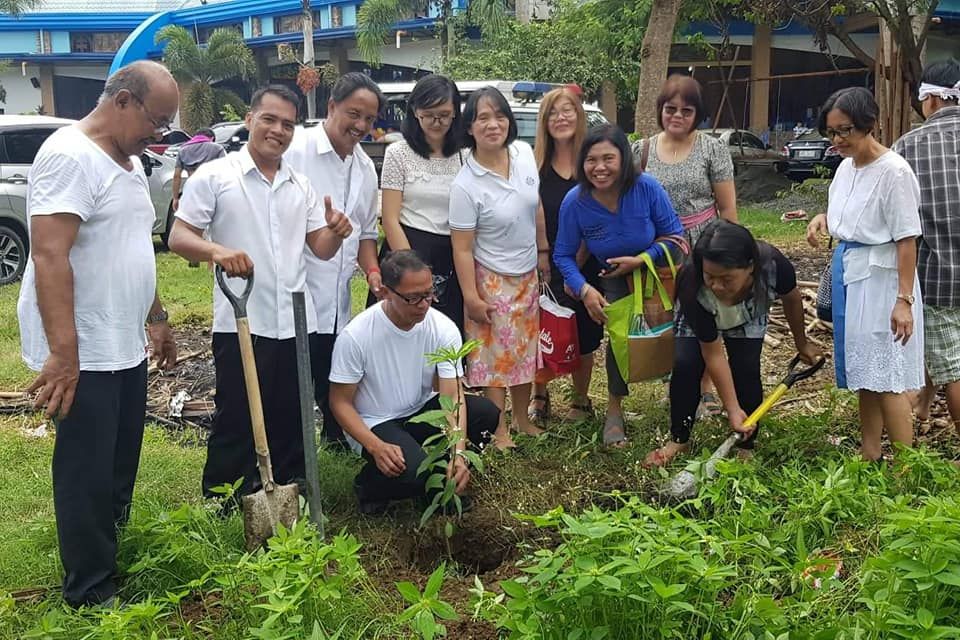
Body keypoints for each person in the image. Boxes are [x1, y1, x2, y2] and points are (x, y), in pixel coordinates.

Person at [16, 60, 180, 608]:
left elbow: (132, 246)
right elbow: (49, 254)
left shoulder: (129, 162)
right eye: (156, 119)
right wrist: (65, 356)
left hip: (122, 338)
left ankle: (110, 548)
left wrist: (155, 316)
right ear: (123, 100)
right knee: (86, 467)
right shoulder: (69, 155)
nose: (159, 132)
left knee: (119, 456)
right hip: (83, 345)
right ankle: (89, 588)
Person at [168, 85, 353, 499]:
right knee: (236, 414)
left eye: (288, 124)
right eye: (269, 119)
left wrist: (337, 233)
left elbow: (319, 249)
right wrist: (217, 250)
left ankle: (290, 492)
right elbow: (179, 236)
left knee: (291, 414)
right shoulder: (215, 177)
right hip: (241, 319)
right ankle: (223, 499)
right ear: (250, 120)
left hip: (293, 320)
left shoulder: (299, 184)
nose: (278, 130)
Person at [329, 250, 499, 514]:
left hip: (419, 409)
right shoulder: (356, 336)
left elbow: (452, 397)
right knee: (415, 472)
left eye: (430, 293)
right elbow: (339, 403)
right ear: (385, 292)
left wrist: (458, 454)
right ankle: (369, 486)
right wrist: (375, 446)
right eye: (413, 298)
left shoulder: (442, 328)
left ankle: (437, 488)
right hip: (375, 422)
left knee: (485, 414)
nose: (424, 304)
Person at [806, 86, 924, 462]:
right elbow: (849, 217)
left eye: (845, 131)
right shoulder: (844, 168)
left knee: (887, 376)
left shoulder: (894, 171)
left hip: (884, 282)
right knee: (865, 376)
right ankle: (870, 455)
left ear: (869, 125)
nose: (837, 140)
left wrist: (903, 300)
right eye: (831, 132)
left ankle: (907, 470)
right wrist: (822, 219)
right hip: (854, 280)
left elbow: (907, 238)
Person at [645, 220, 822, 466]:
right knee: (686, 365)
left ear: (750, 267)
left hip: (748, 312)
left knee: (746, 370)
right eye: (711, 277)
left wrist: (802, 344)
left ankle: (746, 444)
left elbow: (792, 300)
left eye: (726, 278)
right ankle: (679, 438)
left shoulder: (773, 265)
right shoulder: (691, 282)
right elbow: (714, 355)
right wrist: (731, 408)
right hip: (702, 315)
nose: (717, 285)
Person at [553, 123, 684, 448]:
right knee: (619, 343)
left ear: (624, 159)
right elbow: (563, 254)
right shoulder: (576, 201)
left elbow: (676, 238)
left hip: (656, 277)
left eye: (608, 158)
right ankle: (614, 410)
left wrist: (641, 259)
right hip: (610, 278)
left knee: (678, 339)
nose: (600, 168)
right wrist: (584, 289)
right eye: (591, 160)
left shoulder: (646, 187)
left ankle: (687, 398)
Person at [285, 72, 383, 448]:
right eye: (353, 114)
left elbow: (366, 234)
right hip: (295, 291)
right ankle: (291, 452)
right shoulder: (297, 150)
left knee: (331, 374)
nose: (360, 126)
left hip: (337, 301)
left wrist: (372, 272)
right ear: (331, 107)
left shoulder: (363, 168)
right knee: (290, 382)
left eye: (369, 120)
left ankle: (334, 437)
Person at [633, 74, 738, 419]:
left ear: (698, 114)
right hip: (660, 249)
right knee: (668, 315)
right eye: (670, 108)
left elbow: (728, 209)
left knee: (703, 315)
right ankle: (677, 382)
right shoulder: (642, 150)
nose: (677, 115)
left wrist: (728, 255)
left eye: (686, 110)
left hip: (702, 244)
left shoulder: (712, 149)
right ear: (660, 109)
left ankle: (706, 386)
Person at [450, 87, 550, 450]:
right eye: (482, 118)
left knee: (524, 352)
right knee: (494, 360)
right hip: (489, 278)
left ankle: (523, 420)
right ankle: (498, 429)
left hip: (526, 276)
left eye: (500, 115)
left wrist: (542, 251)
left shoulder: (523, 153)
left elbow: (534, 205)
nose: (493, 124)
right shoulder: (466, 183)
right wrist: (471, 297)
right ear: (470, 127)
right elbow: (461, 248)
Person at [891, 59, 960, 433]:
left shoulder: (906, 148)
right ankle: (921, 406)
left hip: (938, 276)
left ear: (930, 100)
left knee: (953, 364)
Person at [527, 87, 601, 424]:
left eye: (568, 110)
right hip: (542, 261)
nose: (561, 118)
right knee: (542, 327)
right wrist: (544, 258)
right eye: (553, 112)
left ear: (579, 115)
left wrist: (578, 266)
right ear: (544, 122)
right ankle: (539, 396)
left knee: (583, 332)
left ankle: (580, 400)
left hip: (587, 260)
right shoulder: (533, 165)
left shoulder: (593, 163)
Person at [369, 74, 466, 331]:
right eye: (429, 114)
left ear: (456, 112)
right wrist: (413, 269)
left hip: (451, 253)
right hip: (406, 249)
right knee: (398, 329)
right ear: (414, 111)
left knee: (443, 335)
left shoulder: (465, 155)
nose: (437, 122)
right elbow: (390, 219)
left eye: (444, 114)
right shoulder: (398, 153)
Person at [171, 127, 225, 212]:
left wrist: (175, 198)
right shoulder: (217, 148)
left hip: (191, 191)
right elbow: (225, 172)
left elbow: (177, 176)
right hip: (212, 191)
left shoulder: (182, 150)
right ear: (212, 138)